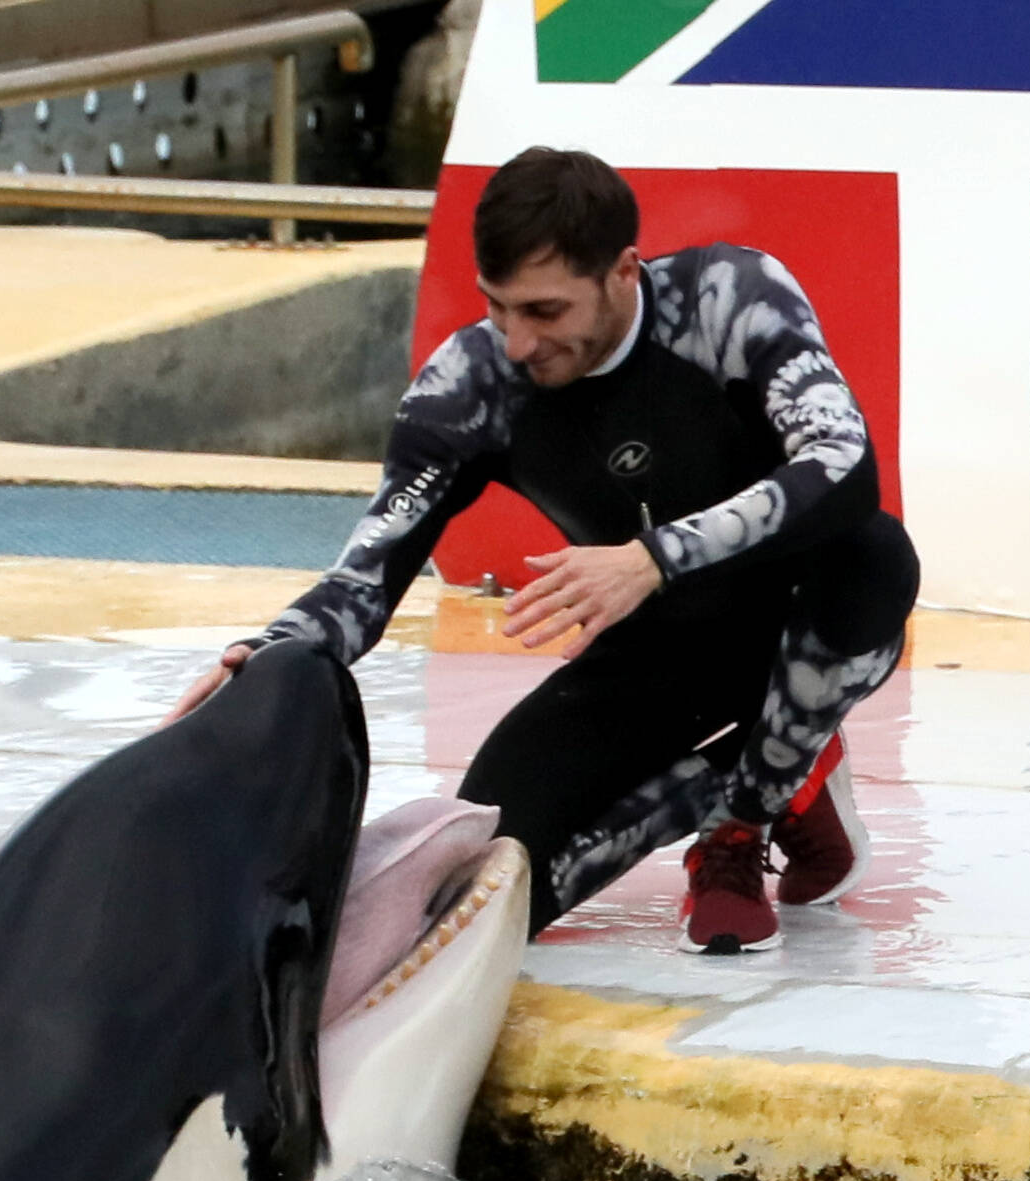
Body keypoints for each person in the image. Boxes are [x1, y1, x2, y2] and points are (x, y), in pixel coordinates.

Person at [171, 147, 920, 951]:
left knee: (871, 557)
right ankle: (767, 773)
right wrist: (275, 653)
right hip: (661, 658)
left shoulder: (725, 299)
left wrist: (653, 559)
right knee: (483, 899)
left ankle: (741, 823)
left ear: (624, 273)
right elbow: (370, 571)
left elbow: (844, 471)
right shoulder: (470, 386)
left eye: (546, 312)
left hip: (796, 618)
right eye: (499, 309)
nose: (518, 342)